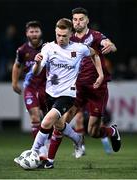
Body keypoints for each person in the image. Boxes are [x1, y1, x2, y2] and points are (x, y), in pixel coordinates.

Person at [15, 18, 104, 169]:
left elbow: (94, 54)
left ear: (71, 34)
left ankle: (33, 152)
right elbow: (37, 72)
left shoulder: (80, 48)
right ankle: (77, 138)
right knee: (60, 125)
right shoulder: (48, 48)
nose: (61, 38)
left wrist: (100, 74)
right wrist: (37, 62)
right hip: (50, 94)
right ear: (55, 33)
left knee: (46, 122)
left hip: (68, 95)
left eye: (64, 35)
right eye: (58, 35)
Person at [45, 7, 121, 167]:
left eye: (81, 19)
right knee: (60, 123)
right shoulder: (67, 38)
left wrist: (111, 45)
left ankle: (111, 131)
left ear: (87, 20)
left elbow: (108, 44)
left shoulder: (94, 36)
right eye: (75, 19)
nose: (78, 22)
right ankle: (49, 161)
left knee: (93, 131)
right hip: (76, 88)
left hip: (96, 88)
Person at [12, 21, 49, 162]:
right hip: (31, 87)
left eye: (36, 31)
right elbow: (17, 66)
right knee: (35, 117)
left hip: (47, 88)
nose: (34, 34)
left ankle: (47, 143)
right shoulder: (22, 50)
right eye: (31, 32)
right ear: (27, 33)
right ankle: (40, 150)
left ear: (41, 32)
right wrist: (14, 82)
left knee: (48, 119)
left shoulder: (48, 48)